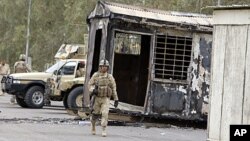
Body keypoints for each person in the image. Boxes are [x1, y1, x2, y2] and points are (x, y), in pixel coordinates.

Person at [88, 59, 119, 137]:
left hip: (105, 98)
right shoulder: (96, 75)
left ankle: (104, 129)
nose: (104, 68)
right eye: (103, 66)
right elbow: (89, 84)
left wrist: (116, 99)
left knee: (105, 113)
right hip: (97, 98)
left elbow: (114, 88)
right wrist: (93, 90)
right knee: (94, 115)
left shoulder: (110, 77)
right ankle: (93, 126)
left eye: (106, 66)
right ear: (100, 67)